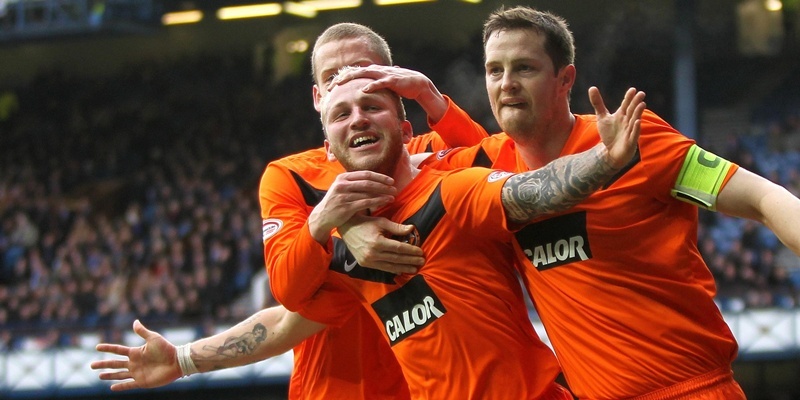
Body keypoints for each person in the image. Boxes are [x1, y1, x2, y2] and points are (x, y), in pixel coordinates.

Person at [335, 5, 800, 399]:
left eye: (525, 68)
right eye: (495, 70)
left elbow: (762, 198)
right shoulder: (488, 162)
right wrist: (350, 223)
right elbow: (386, 166)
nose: (506, 83)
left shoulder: (639, 141)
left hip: (689, 389)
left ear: (565, 79)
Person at [92, 22, 488, 400]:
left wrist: (431, 97)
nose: (348, 80)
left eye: (365, 72)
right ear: (318, 98)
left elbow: (491, 170)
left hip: (434, 385)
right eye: (334, 78)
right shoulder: (291, 175)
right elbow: (288, 295)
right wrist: (334, 226)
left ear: (394, 83)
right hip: (334, 389)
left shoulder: (423, 156)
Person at [265, 68, 643, 399]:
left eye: (372, 107)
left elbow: (533, 191)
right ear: (329, 151)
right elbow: (286, 317)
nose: (358, 119)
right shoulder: (346, 253)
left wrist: (605, 159)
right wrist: (202, 357)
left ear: (406, 130)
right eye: (342, 114)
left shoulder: (452, 191)